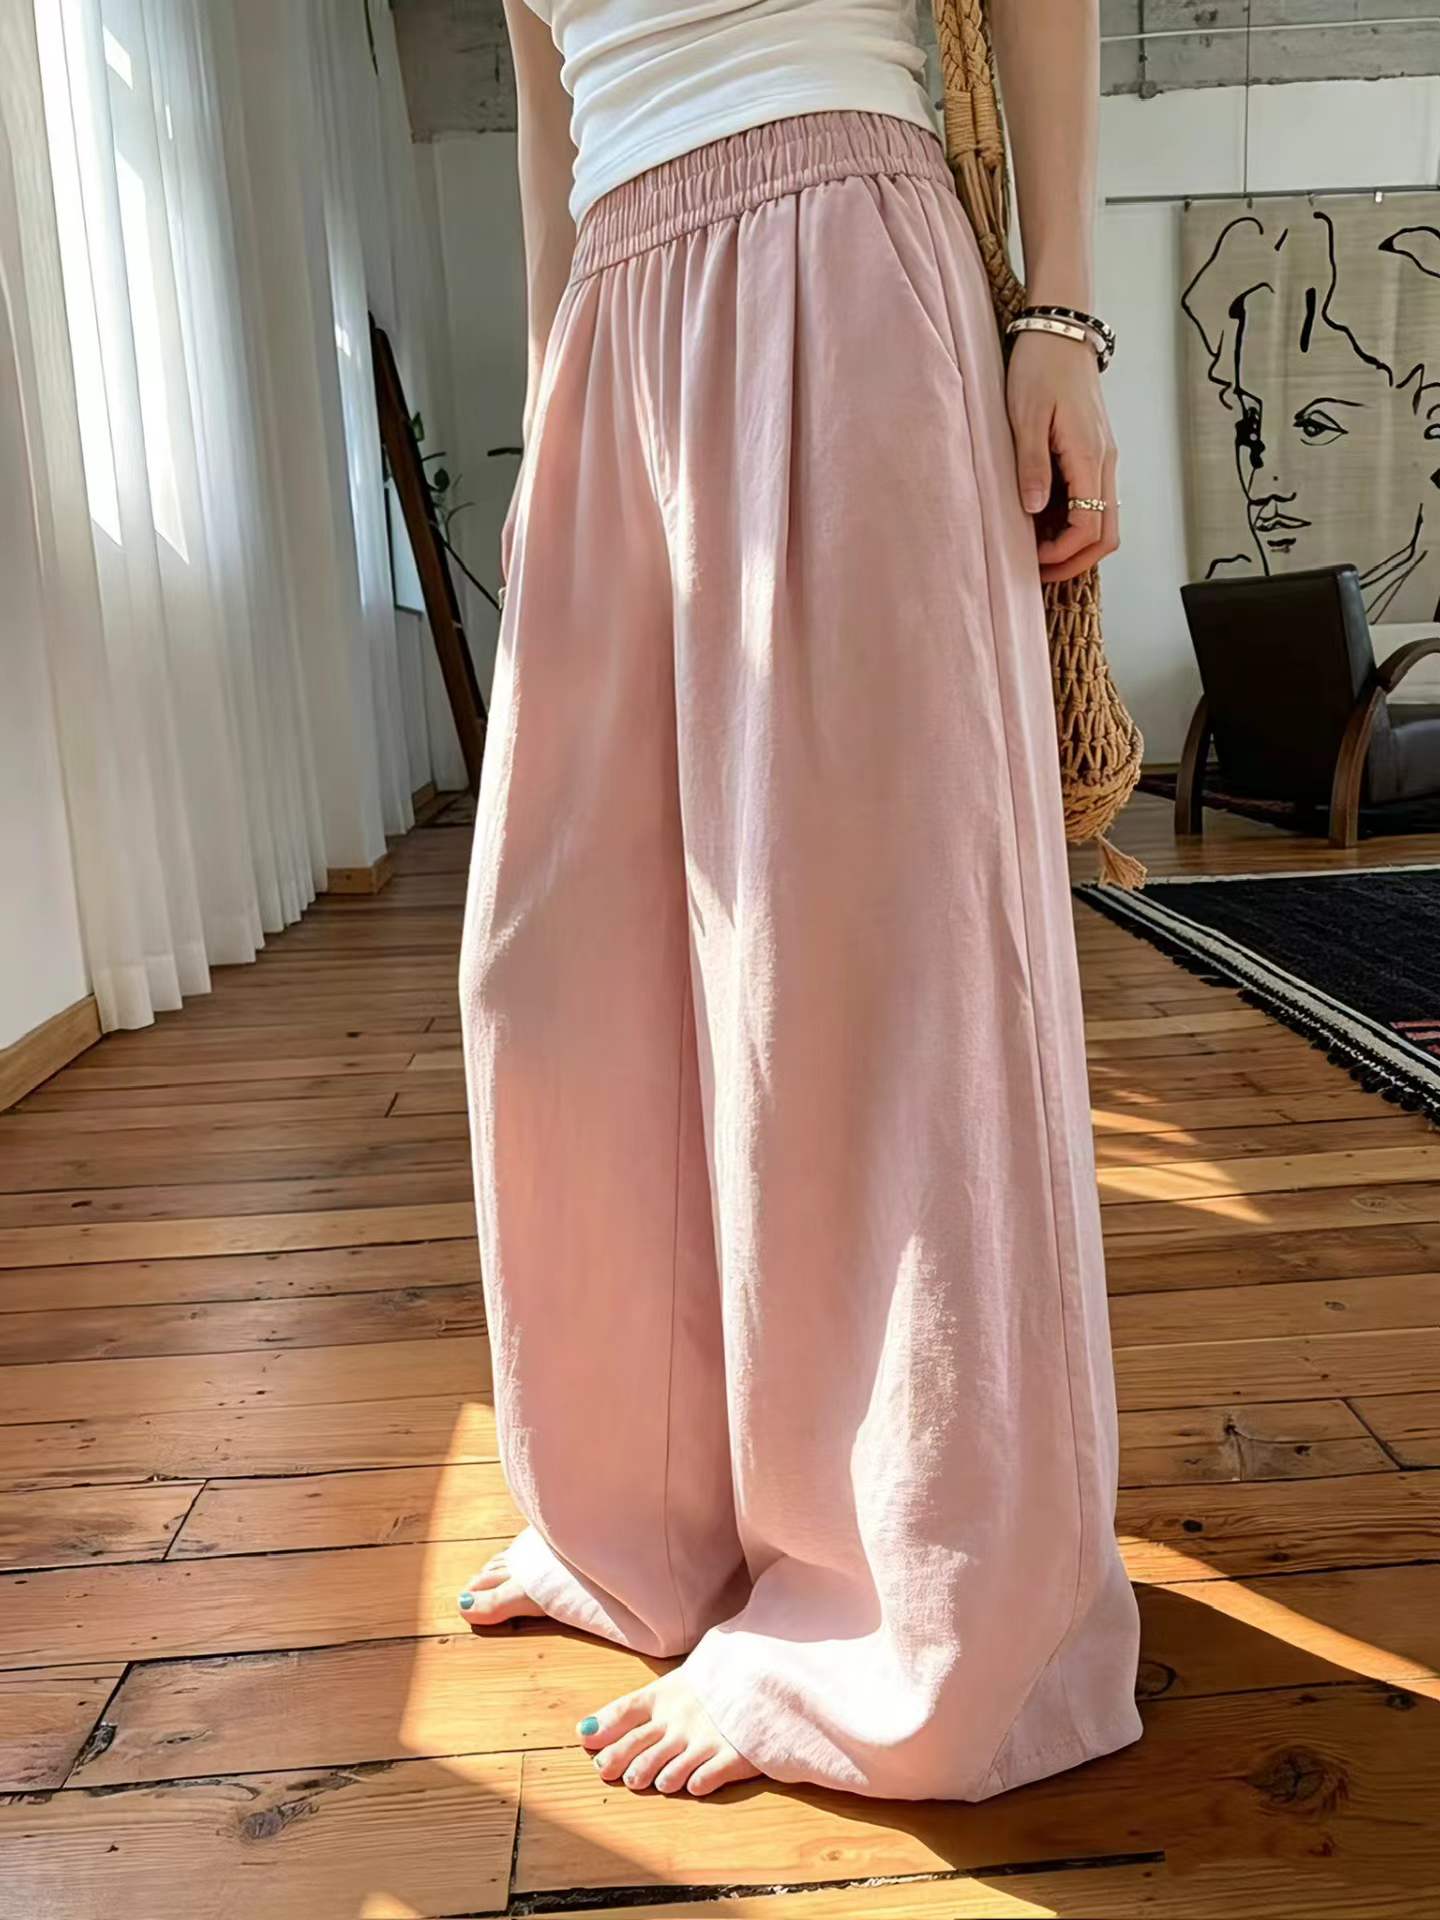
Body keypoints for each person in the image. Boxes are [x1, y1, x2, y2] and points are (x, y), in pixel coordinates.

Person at [457, 0, 1143, 1803]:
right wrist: (545, 409)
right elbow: (548, 118)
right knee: (554, 965)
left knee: (862, 948)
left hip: (838, 241)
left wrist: (1060, 316)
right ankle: (637, 1515)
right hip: (611, 314)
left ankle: (901, 1599)